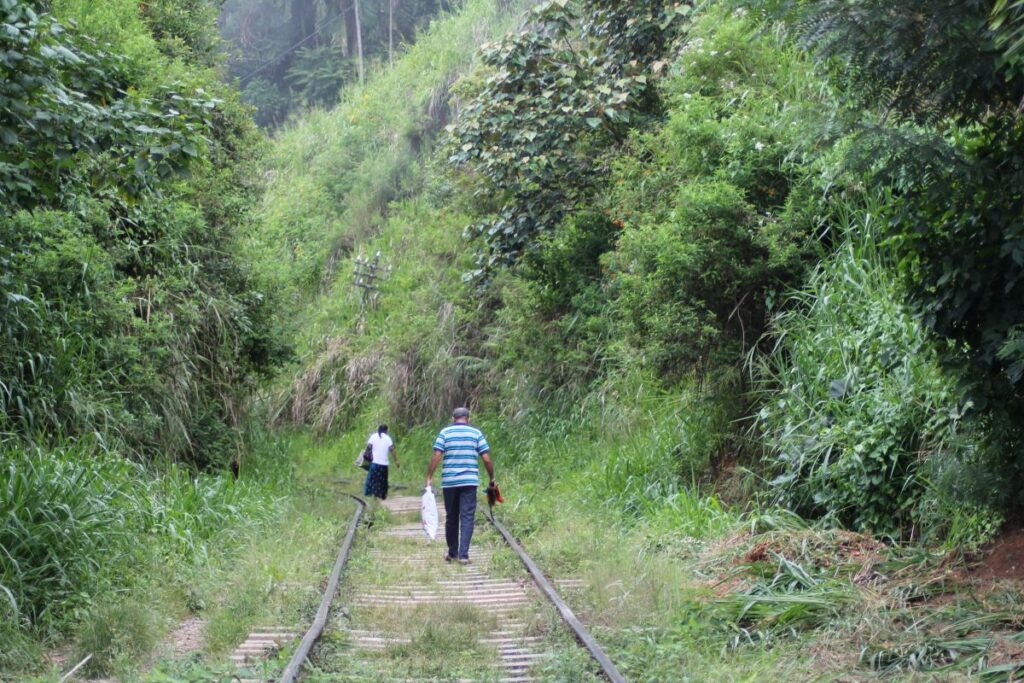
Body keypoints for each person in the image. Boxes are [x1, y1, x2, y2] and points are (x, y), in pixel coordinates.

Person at [425, 406, 494, 564]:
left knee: (452, 517)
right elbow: (487, 459)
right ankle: (464, 555)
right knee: (467, 517)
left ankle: (452, 553)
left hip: (449, 483)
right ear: (468, 419)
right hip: (469, 482)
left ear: (453, 418)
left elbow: (436, 455)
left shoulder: (445, 433)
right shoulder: (476, 433)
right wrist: (492, 478)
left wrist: (429, 476)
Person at [364, 424, 398, 500]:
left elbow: (369, 446)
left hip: (374, 463)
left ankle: (373, 494)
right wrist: (396, 460)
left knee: (373, 479)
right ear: (386, 430)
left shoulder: (373, 436)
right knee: (382, 480)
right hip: (384, 464)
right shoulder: (388, 438)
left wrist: (366, 455)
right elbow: (392, 449)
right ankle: (382, 495)